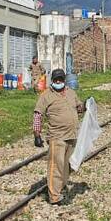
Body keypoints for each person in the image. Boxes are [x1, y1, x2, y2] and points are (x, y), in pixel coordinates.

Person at [34, 68, 85, 204]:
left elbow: (79, 107)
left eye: (60, 79)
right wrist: (37, 134)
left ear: (64, 80)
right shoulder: (46, 95)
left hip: (72, 135)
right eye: (55, 79)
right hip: (57, 136)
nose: (58, 81)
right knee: (56, 166)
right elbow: (38, 114)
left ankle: (60, 188)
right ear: (52, 81)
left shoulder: (71, 93)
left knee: (67, 166)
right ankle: (54, 197)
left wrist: (85, 105)